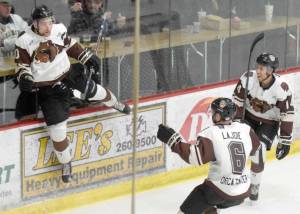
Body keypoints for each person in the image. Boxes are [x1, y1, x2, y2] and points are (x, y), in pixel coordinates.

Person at [15, 5, 130, 183]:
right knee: (57, 132)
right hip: (48, 89)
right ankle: (67, 162)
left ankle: (114, 103)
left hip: (69, 76)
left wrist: (86, 57)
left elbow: (70, 45)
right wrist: (25, 78)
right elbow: (22, 66)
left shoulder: (58, 28)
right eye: (44, 23)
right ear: (35, 23)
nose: (48, 27)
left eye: (50, 22)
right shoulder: (24, 40)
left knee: (97, 92)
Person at [157, 97, 261, 214]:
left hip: (218, 190)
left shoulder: (211, 133)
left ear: (219, 115)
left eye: (214, 112)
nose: (212, 114)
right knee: (210, 207)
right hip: (242, 191)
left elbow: (194, 158)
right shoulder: (245, 129)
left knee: (189, 208)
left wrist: (174, 142)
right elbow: (256, 149)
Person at [232, 53, 294, 201]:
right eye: (257, 67)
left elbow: (287, 114)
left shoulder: (282, 88)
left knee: (258, 152)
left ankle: (254, 186)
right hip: (247, 118)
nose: (258, 71)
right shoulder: (247, 78)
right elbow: (237, 101)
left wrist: (285, 141)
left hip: (269, 123)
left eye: (262, 68)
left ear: (271, 71)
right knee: (238, 147)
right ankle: (231, 184)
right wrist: (236, 122)